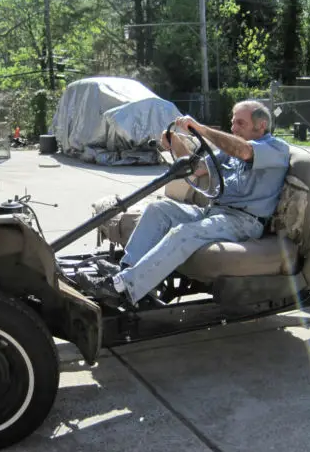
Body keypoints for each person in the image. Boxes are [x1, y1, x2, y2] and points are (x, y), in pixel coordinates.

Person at [76, 100, 292, 306]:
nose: (234, 128)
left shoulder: (275, 148)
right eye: (233, 121)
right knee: (158, 210)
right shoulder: (229, 153)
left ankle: (123, 289)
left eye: (240, 123)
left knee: (184, 232)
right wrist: (175, 144)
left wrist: (202, 129)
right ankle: (125, 271)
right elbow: (197, 168)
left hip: (244, 221)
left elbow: (243, 151)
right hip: (216, 212)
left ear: (261, 125)